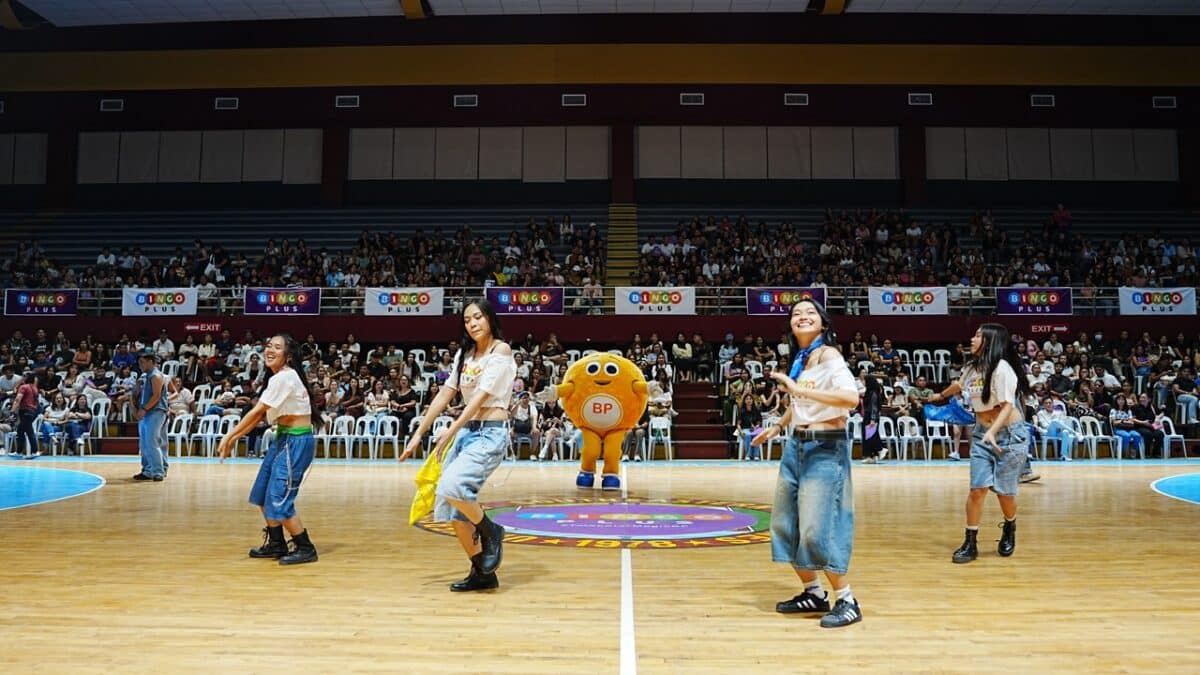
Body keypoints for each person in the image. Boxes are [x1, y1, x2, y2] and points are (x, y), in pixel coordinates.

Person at [750, 298, 863, 628]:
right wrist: (779, 425)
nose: (802, 316)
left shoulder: (829, 355)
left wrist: (797, 388)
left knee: (817, 530)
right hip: (796, 447)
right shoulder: (802, 359)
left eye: (809, 312)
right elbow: (801, 401)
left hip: (826, 448)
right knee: (785, 526)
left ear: (823, 324)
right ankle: (813, 592)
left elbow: (850, 399)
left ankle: (847, 599)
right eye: (796, 313)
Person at [401, 298, 516, 592]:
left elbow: (479, 398)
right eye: (467, 320)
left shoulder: (500, 351)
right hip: (467, 433)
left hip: (490, 432)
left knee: (452, 487)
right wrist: (419, 433)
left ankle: (491, 531)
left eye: (478, 317)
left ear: (489, 319)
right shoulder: (465, 355)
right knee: (452, 512)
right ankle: (482, 573)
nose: (473, 323)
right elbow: (445, 394)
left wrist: (451, 429)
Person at [931, 323, 1032, 564]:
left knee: (1005, 494)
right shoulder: (972, 368)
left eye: (977, 335)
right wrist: (940, 396)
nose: (972, 338)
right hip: (982, 435)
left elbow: (1008, 406)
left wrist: (993, 432)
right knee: (978, 489)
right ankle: (970, 541)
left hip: (1010, 438)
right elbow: (959, 385)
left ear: (990, 341)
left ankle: (1010, 526)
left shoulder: (1002, 369)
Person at [215, 334, 320, 566]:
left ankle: (305, 547)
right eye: (269, 346)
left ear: (288, 356)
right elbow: (260, 415)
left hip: (296, 442)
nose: (270, 350)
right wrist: (235, 437)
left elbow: (256, 412)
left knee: (279, 499)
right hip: (283, 439)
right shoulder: (278, 378)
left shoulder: (284, 377)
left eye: (277, 347)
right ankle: (276, 543)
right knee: (263, 494)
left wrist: (230, 435)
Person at [132, 349, 169, 481]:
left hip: (156, 411)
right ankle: (147, 470)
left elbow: (157, 396)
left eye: (142, 362)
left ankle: (158, 471)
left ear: (150, 362)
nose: (140, 365)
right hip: (148, 412)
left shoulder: (156, 376)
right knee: (144, 443)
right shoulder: (146, 376)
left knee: (152, 442)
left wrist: (144, 409)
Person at [10, 372, 40, 458]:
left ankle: (35, 451)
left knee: (29, 431)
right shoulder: (35, 388)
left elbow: (17, 399)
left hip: (25, 411)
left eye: (24, 377)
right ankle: (19, 452)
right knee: (20, 431)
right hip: (32, 411)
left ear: (26, 378)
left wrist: (12, 411)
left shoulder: (23, 387)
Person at [859, 375, 886, 463]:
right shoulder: (869, 392)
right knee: (868, 437)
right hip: (867, 416)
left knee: (872, 436)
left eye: (864, 380)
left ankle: (881, 449)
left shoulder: (873, 393)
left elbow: (874, 407)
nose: (863, 382)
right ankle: (870, 456)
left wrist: (873, 419)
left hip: (871, 416)